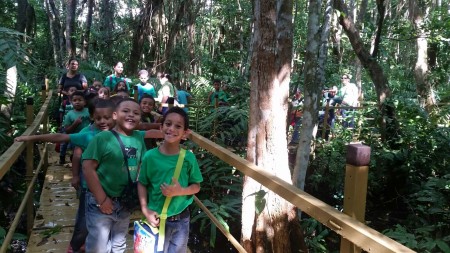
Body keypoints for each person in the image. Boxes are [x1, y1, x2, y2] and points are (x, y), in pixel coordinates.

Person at [15, 99, 117, 253]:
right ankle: (75, 246)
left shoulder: (119, 133)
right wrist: (31, 138)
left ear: (115, 116)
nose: (103, 121)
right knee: (83, 223)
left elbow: (143, 129)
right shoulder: (88, 135)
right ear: (92, 118)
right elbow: (60, 138)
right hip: (89, 189)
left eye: (107, 118)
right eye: (98, 118)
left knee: (107, 221)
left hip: (112, 188)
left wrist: (162, 128)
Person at [82, 98, 146, 253]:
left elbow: (141, 165)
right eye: (126, 111)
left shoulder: (138, 138)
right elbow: (88, 167)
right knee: (98, 247)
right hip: (101, 201)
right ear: (115, 115)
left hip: (124, 201)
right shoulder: (103, 138)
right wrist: (102, 199)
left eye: (136, 113)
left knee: (119, 243)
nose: (131, 115)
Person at [138, 107, 203, 253]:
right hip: (156, 218)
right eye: (168, 124)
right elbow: (142, 183)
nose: (171, 128)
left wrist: (181, 191)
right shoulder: (150, 156)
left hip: (181, 219)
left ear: (185, 133)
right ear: (161, 128)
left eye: (178, 126)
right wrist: (145, 209)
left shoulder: (188, 158)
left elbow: (196, 186)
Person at [60, 91, 91, 165]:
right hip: (76, 139)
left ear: (85, 102)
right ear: (71, 102)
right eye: (74, 100)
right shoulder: (69, 114)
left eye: (80, 100)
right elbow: (67, 130)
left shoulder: (89, 111)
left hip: (88, 137)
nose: (77, 102)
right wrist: (75, 124)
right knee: (77, 155)